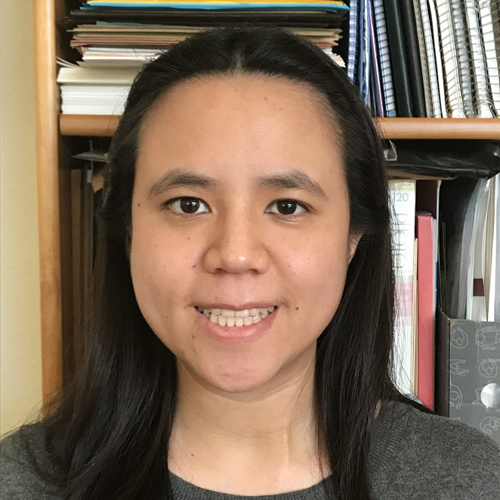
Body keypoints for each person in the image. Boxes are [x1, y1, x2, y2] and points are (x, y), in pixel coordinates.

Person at [1, 27, 499, 500]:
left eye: (287, 206)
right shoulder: (22, 482)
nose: (235, 255)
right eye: (188, 203)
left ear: (354, 236)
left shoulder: (467, 480)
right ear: (127, 231)